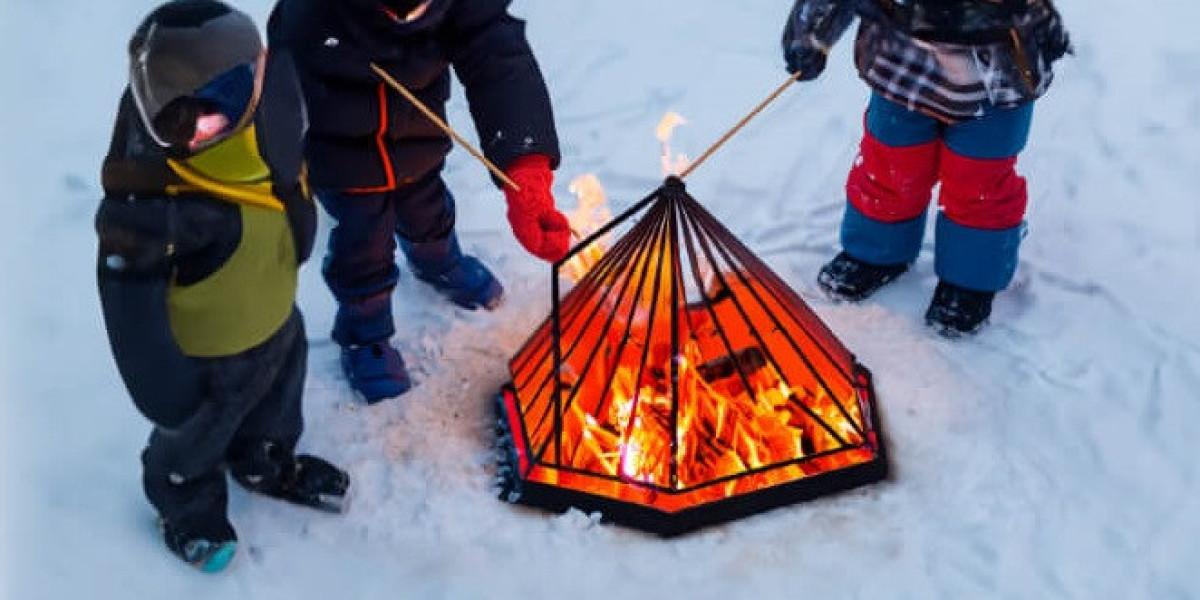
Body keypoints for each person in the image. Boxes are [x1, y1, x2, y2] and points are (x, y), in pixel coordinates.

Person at [96, 0, 349, 572]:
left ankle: (264, 458)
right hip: (205, 359)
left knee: (278, 396)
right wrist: (165, 389)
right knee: (195, 434)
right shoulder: (150, 202)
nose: (191, 131)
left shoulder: (267, 115)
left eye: (209, 114)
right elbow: (127, 300)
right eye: (173, 116)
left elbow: (291, 179)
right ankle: (184, 498)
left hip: (276, 317)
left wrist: (300, 237)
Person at [267, 0, 572, 402]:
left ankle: (438, 261)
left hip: (416, 142)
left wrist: (525, 167)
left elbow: (499, 61)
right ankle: (365, 331)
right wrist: (285, 181)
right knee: (363, 244)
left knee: (428, 210)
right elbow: (277, 98)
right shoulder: (308, 14)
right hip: (341, 158)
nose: (406, 20)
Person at [781, 0, 1071, 336]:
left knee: (978, 184)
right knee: (890, 166)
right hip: (901, 72)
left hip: (992, 85)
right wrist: (812, 34)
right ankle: (878, 251)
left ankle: (970, 278)